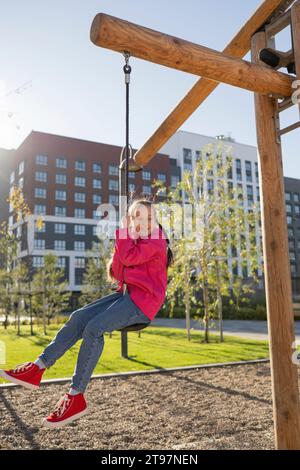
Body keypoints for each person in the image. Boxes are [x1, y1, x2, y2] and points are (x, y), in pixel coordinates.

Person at [0, 198, 173, 428]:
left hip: (143, 302)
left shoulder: (157, 239)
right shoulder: (134, 240)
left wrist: (123, 234)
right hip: (126, 295)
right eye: (136, 217)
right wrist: (124, 239)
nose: (143, 221)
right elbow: (118, 272)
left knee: (93, 329)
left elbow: (129, 259)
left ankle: (76, 396)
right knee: (78, 318)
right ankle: (37, 368)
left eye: (149, 217)